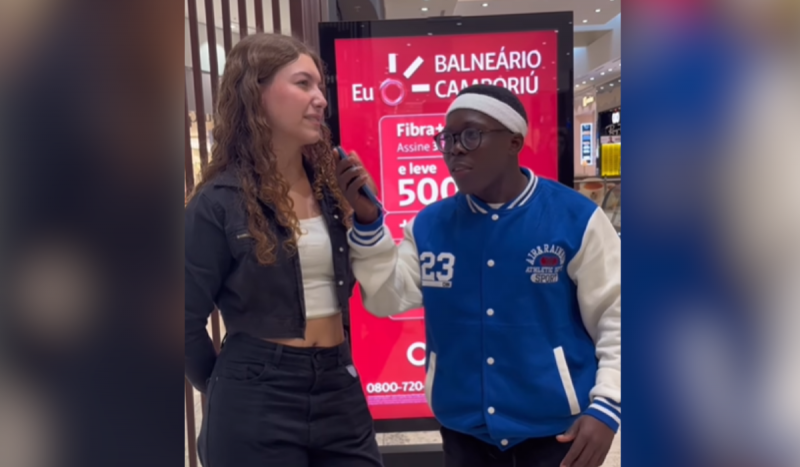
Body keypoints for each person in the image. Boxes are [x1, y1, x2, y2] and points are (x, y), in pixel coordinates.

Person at [337, 84, 621, 467]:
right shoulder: (431, 225)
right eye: (448, 138)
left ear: (514, 142)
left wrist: (608, 404)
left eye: (471, 135)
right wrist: (369, 223)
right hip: (464, 435)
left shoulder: (575, 219)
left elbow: (617, 314)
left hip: (557, 436)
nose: (455, 148)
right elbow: (387, 297)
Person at [184, 33, 383, 467]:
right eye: (303, 84)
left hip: (337, 382)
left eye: (321, 88)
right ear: (255, 92)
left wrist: (367, 216)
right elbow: (181, 316)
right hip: (256, 389)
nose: (320, 100)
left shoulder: (332, 191)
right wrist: (223, 380)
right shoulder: (218, 202)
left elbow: (375, 283)